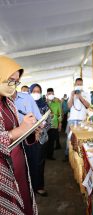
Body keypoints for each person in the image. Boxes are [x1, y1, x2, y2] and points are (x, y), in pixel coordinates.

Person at [0, 56, 37, 214]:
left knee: (24, 200)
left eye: (16, 82)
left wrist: (30, 130)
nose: (12, 86)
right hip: (3, 171)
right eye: (9, 80)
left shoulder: (8, 103)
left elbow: (18, 132)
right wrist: (20, 130)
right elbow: (16, 131)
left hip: (18, 164)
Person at [30, 83, 51, 196]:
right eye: (34, 91)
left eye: (38, 91)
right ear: (30, 92)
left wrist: (40, 131)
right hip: (27, 139)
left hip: (40, 139)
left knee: (39, 162)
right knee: (29, 162)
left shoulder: (45, 106)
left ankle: (39, 186)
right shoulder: (25, 105)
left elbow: (49, 123)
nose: (36, 94)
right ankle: (30, 186)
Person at [66, 78, 91, 160]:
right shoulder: (71, 93)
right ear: (75, 85)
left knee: (81, 138)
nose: (79, 86)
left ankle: (80, 156)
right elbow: (69, 106)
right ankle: (68, 155)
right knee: (70, 138)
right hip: (72, 119)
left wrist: (80, 97)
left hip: (82, 119)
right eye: (77, 84)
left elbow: (88, 105)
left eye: (80, 84)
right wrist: (72, 96)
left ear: (82, 85)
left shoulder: (86, 93)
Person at [46, 88, 62, 159]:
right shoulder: (44, 103)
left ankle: (50, 155)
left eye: (52, 94)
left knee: (51, 141)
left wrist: (60, 124)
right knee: (45, 141)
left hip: (54, 124)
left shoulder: (57, 103)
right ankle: (44, 155)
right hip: (44, 125)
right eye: (49, 94)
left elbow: (60, 115)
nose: (51, 95)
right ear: (46, 94)